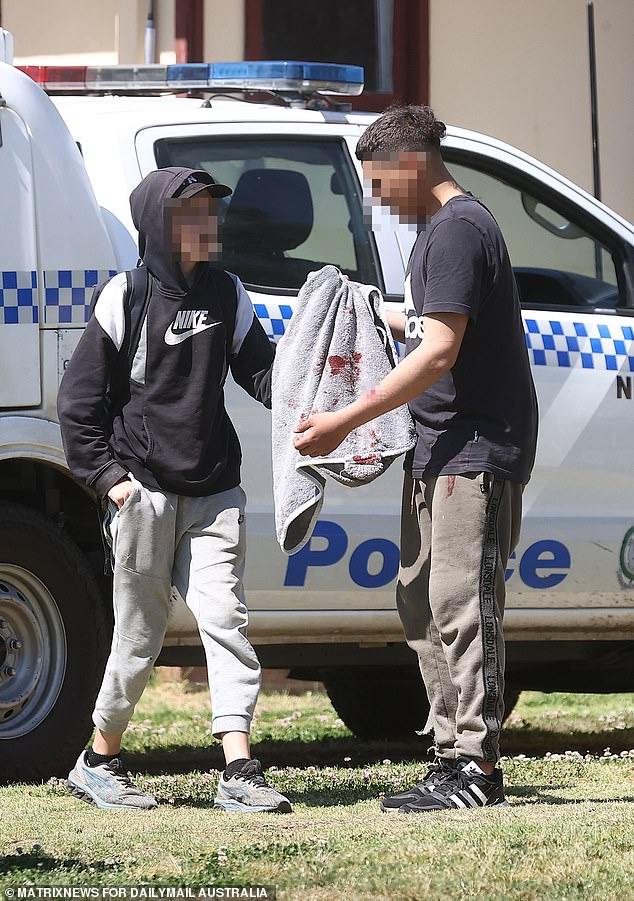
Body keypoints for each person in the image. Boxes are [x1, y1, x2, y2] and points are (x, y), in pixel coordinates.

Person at [294, 106, 538, 813]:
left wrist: (345, 419)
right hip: (436, 447)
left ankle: (479, 767)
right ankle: (448, 753)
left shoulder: (460, 230)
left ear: (409, 162)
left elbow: (439, 350)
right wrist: (362, 305)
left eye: (378, 182)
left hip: (474, 448)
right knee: (421, 601)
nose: (376, 197)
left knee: (465, 604)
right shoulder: (440, 236)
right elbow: (427, 321)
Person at [58, 166, 291, 814]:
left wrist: (319, 391)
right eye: (193, 212)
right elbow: (77, 403)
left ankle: (240, 769)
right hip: (146, 493)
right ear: (162, 222)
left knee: (227, 623)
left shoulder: (228, 293)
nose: (208, 224)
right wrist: (114, 482)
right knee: (138, 637)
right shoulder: (125, 295)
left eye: (213, 211)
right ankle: (100, 759)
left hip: (216, 492)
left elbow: (265, 376)